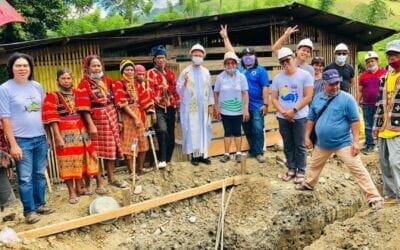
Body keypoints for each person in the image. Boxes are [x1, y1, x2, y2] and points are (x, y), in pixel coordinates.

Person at [297, 68, 383, 210]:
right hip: (322, 143)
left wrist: (356, 142)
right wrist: (306, 137)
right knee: (314, 165)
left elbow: (355, 121)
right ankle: (309, 184)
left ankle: (374, 197)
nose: (335, 86)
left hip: (343, 143)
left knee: (357, 169)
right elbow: (311, 119)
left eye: (337, 83)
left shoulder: (347, 98)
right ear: (324, 83)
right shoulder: (318, 98)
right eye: (331, 84)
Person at [0, 52, 55, 224]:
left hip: (40, 137)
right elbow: (5, 118)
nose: (22, 68)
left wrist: (48, 136)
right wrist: (13, 145)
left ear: (30, 68)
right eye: (18, 65)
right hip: (21, 139)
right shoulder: (5, 89)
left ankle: (40, 204)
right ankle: (29, 211)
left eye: (25, 65)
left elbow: (45, 113)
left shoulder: (37, 86)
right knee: (25, 178)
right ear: (12, 68)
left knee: (39, 174)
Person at [42, 68, 99, 204]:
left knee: (80, 161)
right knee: (67, 163)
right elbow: (52, 119)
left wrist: (91, 126)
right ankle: (71, 192)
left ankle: (80, 188)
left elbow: (85, 113)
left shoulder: (78, 94)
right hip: (64, 132)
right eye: (63, 79)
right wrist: (57, 137)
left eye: (68, 78)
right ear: (58, 81)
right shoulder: (52, 96)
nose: (66, 81)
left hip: (81, 131)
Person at [219, 25, 270, 163]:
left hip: (257, 105)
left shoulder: (261, 70)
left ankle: (259, 152)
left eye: (250, 55)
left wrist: (266, 104)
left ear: (255, 57)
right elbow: (230, 52)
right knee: (247, 129)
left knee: (258, 128)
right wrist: (225, 37)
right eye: (245, 55)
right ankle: (253, 150)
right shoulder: (239, 68)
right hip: (241, 106)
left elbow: (265, 87)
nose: (248, 57)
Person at [78, 54, 127, 190]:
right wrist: (91, 125)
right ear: (87, 68)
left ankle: (112, 178)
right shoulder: (83, 84)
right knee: (96, 151)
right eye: (93, 66)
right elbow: (84, 108)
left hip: (111, 116)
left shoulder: (109, 81)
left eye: (98, 65)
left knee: (111, 149)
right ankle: (99, 183)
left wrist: (119, 120)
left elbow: (116, 103)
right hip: (95, 119)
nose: (96, 68)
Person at [271, 47, 313, 184]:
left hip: (300, 117)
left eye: (287, 60)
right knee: (288, 144)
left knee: (299, 144)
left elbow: (308, 96)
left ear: (293, 58)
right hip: (283, 117)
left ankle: (301, 170)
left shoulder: (305, 75)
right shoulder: (278, 78)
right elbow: (274, 98)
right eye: (282, 62)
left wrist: (293, 111)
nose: (285, 64)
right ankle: (291, 168)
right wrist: (284, 112)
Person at [177, 44, 214, 166]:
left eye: (200, 55)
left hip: (203, 107)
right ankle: (194, 156)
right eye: (195, 55)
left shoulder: (206, 72)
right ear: (191, 56)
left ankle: (203, 155)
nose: (197, 57)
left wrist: (210, 104)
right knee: (193, 130)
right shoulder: (185, 72)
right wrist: (185, 82)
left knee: (204, 129)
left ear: (203, 56)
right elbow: (178, 90)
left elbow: (209, 89)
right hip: (191, 107)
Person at [373, 40, 400, 204]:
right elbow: (380, 103)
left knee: (396, 162)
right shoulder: (385, 77)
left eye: (395, 55)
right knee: (384, 163)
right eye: (389, 55)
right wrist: (375, 126)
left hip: (397, 128)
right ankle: (390, 194)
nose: (391, 58)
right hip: (384, 127)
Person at [114, 60, 152, 175]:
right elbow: (122, 103)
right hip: (127, 115)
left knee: (143, 143)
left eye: (131, 70)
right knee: (129, 145)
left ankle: (139, 169)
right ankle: (132, 172)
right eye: (127, 69)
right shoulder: (118, 84)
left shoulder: (136, 85)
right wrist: (134, 117)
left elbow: (144, 100)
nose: (130, 72)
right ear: (122, 71)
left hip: (138, 114)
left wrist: (148, 115)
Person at [147, 45, 180, 168]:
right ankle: (161, 159)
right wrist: (152, 112)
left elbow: (175, 91)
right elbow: (149, 91)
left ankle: (168, 160)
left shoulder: (170, 73)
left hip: (170, 107)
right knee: (162, 131)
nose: (161, 60)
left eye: (163, 57)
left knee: (171, 136)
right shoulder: (150, 73)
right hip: (158, 107)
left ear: (166, 59)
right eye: (158, 58)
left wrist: (177, 107)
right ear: (154, 60)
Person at [214, 51, 249, 163]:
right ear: (225, 65)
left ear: (236, 64)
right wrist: (217, 107)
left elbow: (245, 93)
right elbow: (216, 93)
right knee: (227, 131)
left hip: (238, 111)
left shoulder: (241, 77)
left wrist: (245, 109)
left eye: (232, 63)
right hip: (225, 111)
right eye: (227, 63)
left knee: (238, 131)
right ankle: (226, 153)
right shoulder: (220, 77)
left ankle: (238, 153)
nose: (230, 65)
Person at [357, 51, 386, 154]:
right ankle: (370, 145)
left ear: (377, 61)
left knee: (380, 124)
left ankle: (380, 144)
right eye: (368, 62)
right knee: (368, 125)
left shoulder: (384, 73)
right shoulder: (363, 76)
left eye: (372, 61)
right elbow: (360, 90)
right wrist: (357, 102)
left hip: (381, 105)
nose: (370, 63)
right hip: (367, 104)